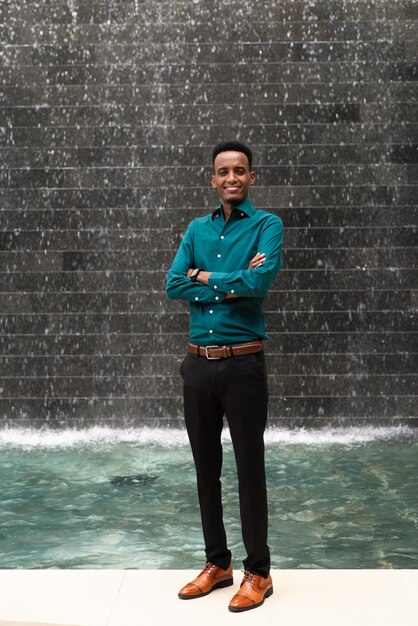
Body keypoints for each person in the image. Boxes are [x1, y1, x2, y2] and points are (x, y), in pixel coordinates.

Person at [166, 141, 284, 612]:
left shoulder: (267, 226)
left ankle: (259, 571)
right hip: (197, 365)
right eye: (223, 172)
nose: (231, 178)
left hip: (243, 363)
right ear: (212, 179)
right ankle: (218, 564)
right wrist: (228, 275)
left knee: (250, 469)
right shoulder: (196, 228)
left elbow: (259, 284)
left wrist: (205, 276)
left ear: (251, 177)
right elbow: (173, 283)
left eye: (239, 171)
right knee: (205, 468)